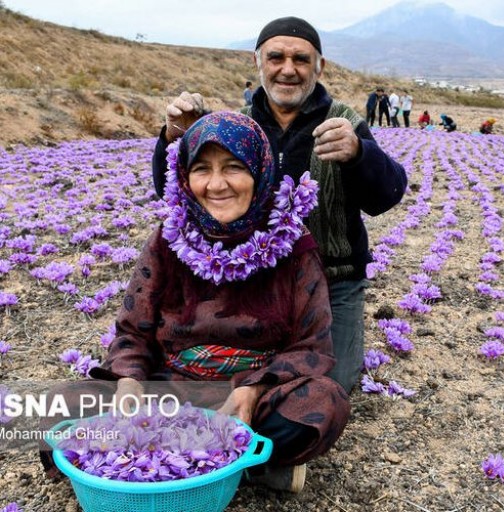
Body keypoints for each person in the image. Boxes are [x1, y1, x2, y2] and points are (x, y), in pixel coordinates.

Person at [85, 111, 348, 494]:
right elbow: (132, 331)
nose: (216, 184)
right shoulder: (168, 239)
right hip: (172, 389)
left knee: (325, 402)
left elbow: (312, 345)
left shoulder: (295, 245)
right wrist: (128, 382)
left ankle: (164, 461)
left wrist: (253, 390)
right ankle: (245, 466)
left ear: (260, 171)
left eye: (233, 167)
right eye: (202, 169)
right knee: (66, 404)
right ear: (184, 177)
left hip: (256, 394)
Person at [151, 16, 408, 395]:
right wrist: (175, 137)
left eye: (301, 59)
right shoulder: (237, 125)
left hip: (333, 278)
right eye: (276, 57)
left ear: (319, 66)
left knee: (325, 385)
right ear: (258, 62)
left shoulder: (346, 122)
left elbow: (387, 195)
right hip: (253, 279)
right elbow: (175, 191)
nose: (288, 69)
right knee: (213, 376)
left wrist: (358, 154)